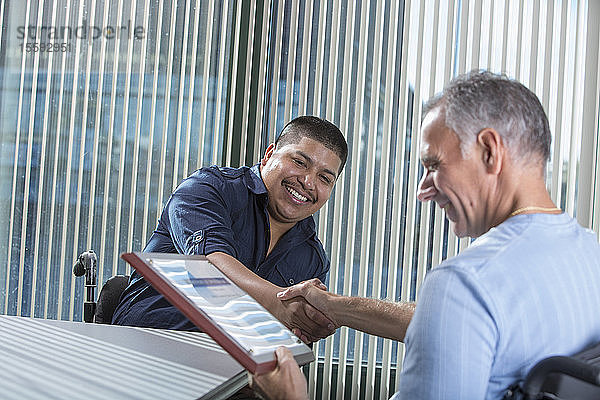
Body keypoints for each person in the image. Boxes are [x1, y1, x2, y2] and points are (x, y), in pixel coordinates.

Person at [250, 71, 600, 399]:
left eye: (433, 165)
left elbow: (463, 308)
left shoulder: (466, 283)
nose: (423, 190)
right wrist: (334, 306)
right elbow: (471, 325)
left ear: (490, 152)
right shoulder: (589, 256)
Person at [112, 115, 347, 343]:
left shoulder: (312, 259)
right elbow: (209, 267)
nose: (308, 182)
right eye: (299, 162)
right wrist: (281, 304)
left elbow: (291, 344)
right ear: (269, 155)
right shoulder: (209, 189)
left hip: (234, 376)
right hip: (144, 350)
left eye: (325, 178)